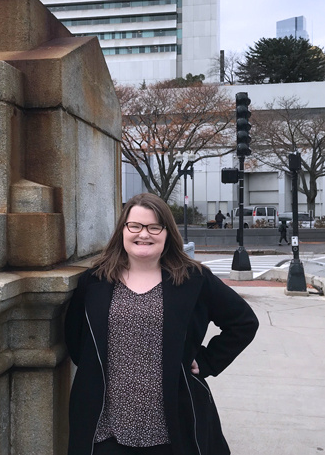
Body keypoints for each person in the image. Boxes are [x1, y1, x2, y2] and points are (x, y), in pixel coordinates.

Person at [65, 193, 259, 455]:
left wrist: (208, 361)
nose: (143, 234)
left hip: (173, 429)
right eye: (135, 226)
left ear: (167, 232)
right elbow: (76, 341)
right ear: (123, 230)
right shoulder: (94, 281)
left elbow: (243, 322)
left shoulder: (193, 279)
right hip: (105, 430)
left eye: (154, 227)